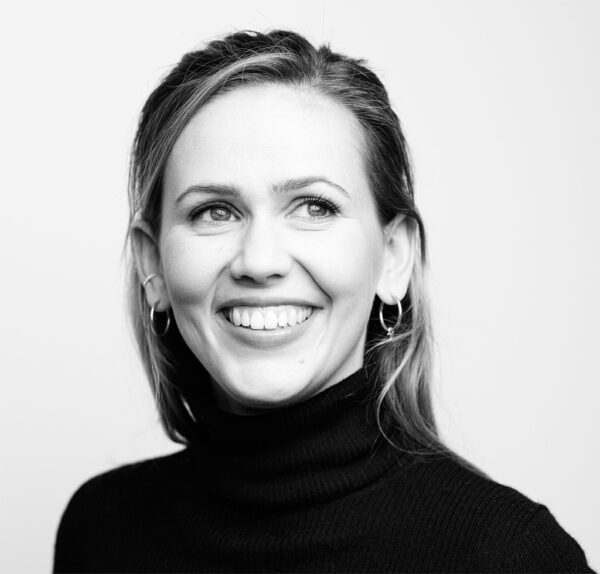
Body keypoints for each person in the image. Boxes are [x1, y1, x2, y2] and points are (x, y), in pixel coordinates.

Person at [53, 29, 594, 573]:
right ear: (152, 265)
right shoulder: (100, 531)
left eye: (314, 207)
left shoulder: (510, 555)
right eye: (215, 211)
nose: (259, 260)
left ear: (394, 257)